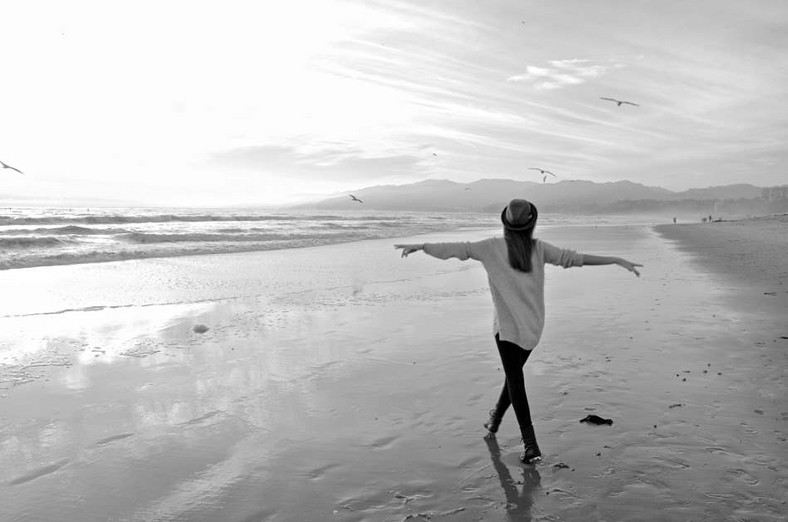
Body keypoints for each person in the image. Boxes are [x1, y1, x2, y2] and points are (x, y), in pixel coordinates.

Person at [394, 199, 642, 463]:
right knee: (514, 378)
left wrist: (423, 247)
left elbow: (459, 249)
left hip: (507, 328)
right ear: (531, 224)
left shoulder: (491, 247)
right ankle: (494, 421)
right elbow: (574, 259)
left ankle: (530, 445)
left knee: (515, 380)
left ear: (506, 224)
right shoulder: (539, 249)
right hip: (533, 328)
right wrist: (614, 260)